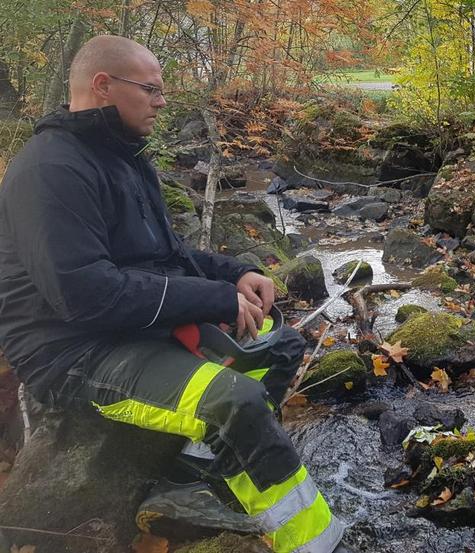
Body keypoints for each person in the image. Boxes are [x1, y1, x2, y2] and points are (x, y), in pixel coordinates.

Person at [0, 35, 343, 552]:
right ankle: (314, 541)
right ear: (103, 86)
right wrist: (212, 300)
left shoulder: (125, 155)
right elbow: (84, 296)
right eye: (152, 89)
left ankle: (197, 472)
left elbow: (166, 253)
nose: (163, 102)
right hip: (72, 350)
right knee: (238, 400)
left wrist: (237, 274)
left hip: (132, 326)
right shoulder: (51, 169)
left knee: (283, 344)